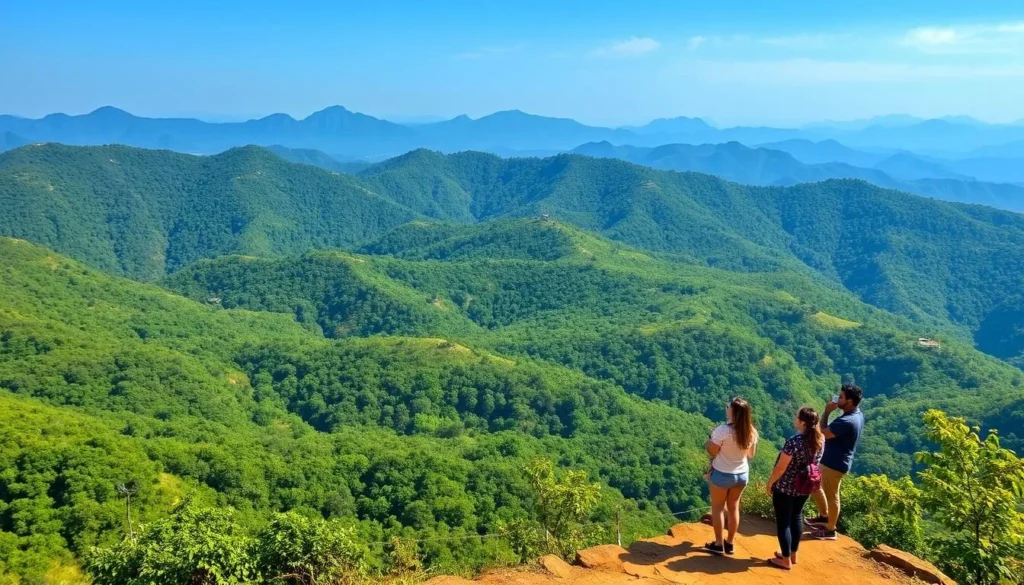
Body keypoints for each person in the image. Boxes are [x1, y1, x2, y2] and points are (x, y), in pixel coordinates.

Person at [765, 407, 824, 570]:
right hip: (805, 486)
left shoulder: (794, 442)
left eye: (796, 417)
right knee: (796, 517)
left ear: (802, 422)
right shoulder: (820, 440)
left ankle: (785, 561)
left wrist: (770, 483)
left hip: (785, 487)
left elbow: (780, 468)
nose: (794, 418)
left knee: (783, 522)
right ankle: (792, 554)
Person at [806, 383, 864, 540]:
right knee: (819, 489)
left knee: (831, 496)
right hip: (835, 462)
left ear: (850, 401)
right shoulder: (855, 415)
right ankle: (824, 518)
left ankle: (830, 530)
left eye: (842, 397)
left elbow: (823, 433)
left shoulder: (847, 421)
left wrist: (826, 412)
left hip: (834, 464)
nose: (838, 399)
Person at [703, 397, 758, 556]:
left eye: (728, 406)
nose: (726, 407)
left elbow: (712, 451)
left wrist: (709, 443)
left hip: (722, 473)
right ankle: (730, 543)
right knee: (733, 508)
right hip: (741, 474)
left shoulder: (723, 430)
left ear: (732, 411)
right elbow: (751, 455)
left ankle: (719, 544)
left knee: (718, 508)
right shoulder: (751, 431)